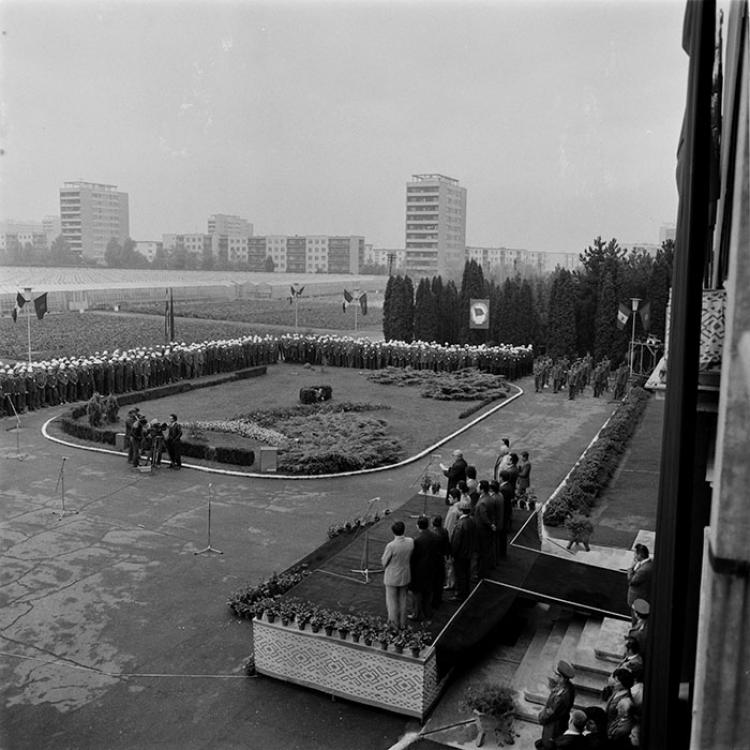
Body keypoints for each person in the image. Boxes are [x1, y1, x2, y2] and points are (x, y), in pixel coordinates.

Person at [408, 516, 443, 621]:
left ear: (418, 526)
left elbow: (414, 557)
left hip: (419, 570)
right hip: (432, 568)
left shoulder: (417, 540)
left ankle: (416, 613)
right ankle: (427, 612)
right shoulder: (435, 537)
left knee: (417, 593)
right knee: (428, 591)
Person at [535, 661, 576, 750]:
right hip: (561, 720)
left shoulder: (561, 696)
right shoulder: (568, 686)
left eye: (556, 675)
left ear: (562, 678)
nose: (554, 676)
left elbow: (551, 712)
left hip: (554, 723)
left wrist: (541, 717)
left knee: (549, 740)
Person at [381, 520, 414, 629]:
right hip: (405, 575)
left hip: (392, 577)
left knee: (391, 602)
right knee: (403, 600)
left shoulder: (391, 546)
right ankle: (403, 623)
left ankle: (393, 624)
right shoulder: (410, 542)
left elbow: (384, 562)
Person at [450, 503, 475, 601]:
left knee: (459, 574)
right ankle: (465, 591)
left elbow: (456, 542)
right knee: (466, 573)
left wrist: (453, 554)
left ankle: (459, 594)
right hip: (468, 552)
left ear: (461, 511)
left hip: (460, 554)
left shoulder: (460, 524)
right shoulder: (471, 521)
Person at [605, 669, 635, 750]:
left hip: (613, 730)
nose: (614, 683)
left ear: (624, 682)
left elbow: (620, 718)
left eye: (617, 681)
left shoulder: (626, 698)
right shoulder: (616, 690)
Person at [474, 480, 497, 576]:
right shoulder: (490, 498)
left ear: (482, 490)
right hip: (486, 530)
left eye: (478, 487)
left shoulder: (482, 502)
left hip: (481, 530)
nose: (476, 488)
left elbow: (484, 517)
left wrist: (490, 524)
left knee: (481, 551)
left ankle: (480, 572)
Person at [431, 515, 451, 608]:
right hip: (441, 558)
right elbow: (447, 544)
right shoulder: (444, 531)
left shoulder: (434, 535)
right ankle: (438, 598)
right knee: (440, 579)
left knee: (435, 580)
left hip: (435, 559)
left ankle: (434, 600)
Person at [626, 544, 653, 611]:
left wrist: (630, 568)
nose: (634, 555)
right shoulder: (648, 564)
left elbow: (631, 581)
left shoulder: (643, 570)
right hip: (641, 599)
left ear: (640, 555)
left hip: (638, 601)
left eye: (635, 553)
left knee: (635, 617)